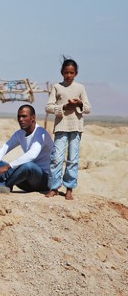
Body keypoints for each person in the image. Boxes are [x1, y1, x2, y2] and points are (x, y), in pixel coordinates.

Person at [0, 104, 53, 194]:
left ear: (33, 118)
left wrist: (8, 166)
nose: (20, 120)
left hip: (43, 181)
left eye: (24, 116)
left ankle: (4, 186)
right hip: (26, 181)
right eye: (19, 117)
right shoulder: (20, 134)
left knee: (28, 166)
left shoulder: (40, 133)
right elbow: (4, 148)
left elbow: (32, 155)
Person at [45, 57, 91, 200]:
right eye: (66, 72)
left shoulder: (80, 88)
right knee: (57, 158)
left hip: (76, 127)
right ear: (62, 73)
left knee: (73, 158)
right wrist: (63, 107)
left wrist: (79, 104)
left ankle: (69, 188)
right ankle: (54, 187)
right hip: (61, 126)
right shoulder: (57, 87)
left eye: (71, 73)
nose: (68, 75)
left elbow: (88, 108)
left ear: (76, 73)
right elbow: (48, 107)